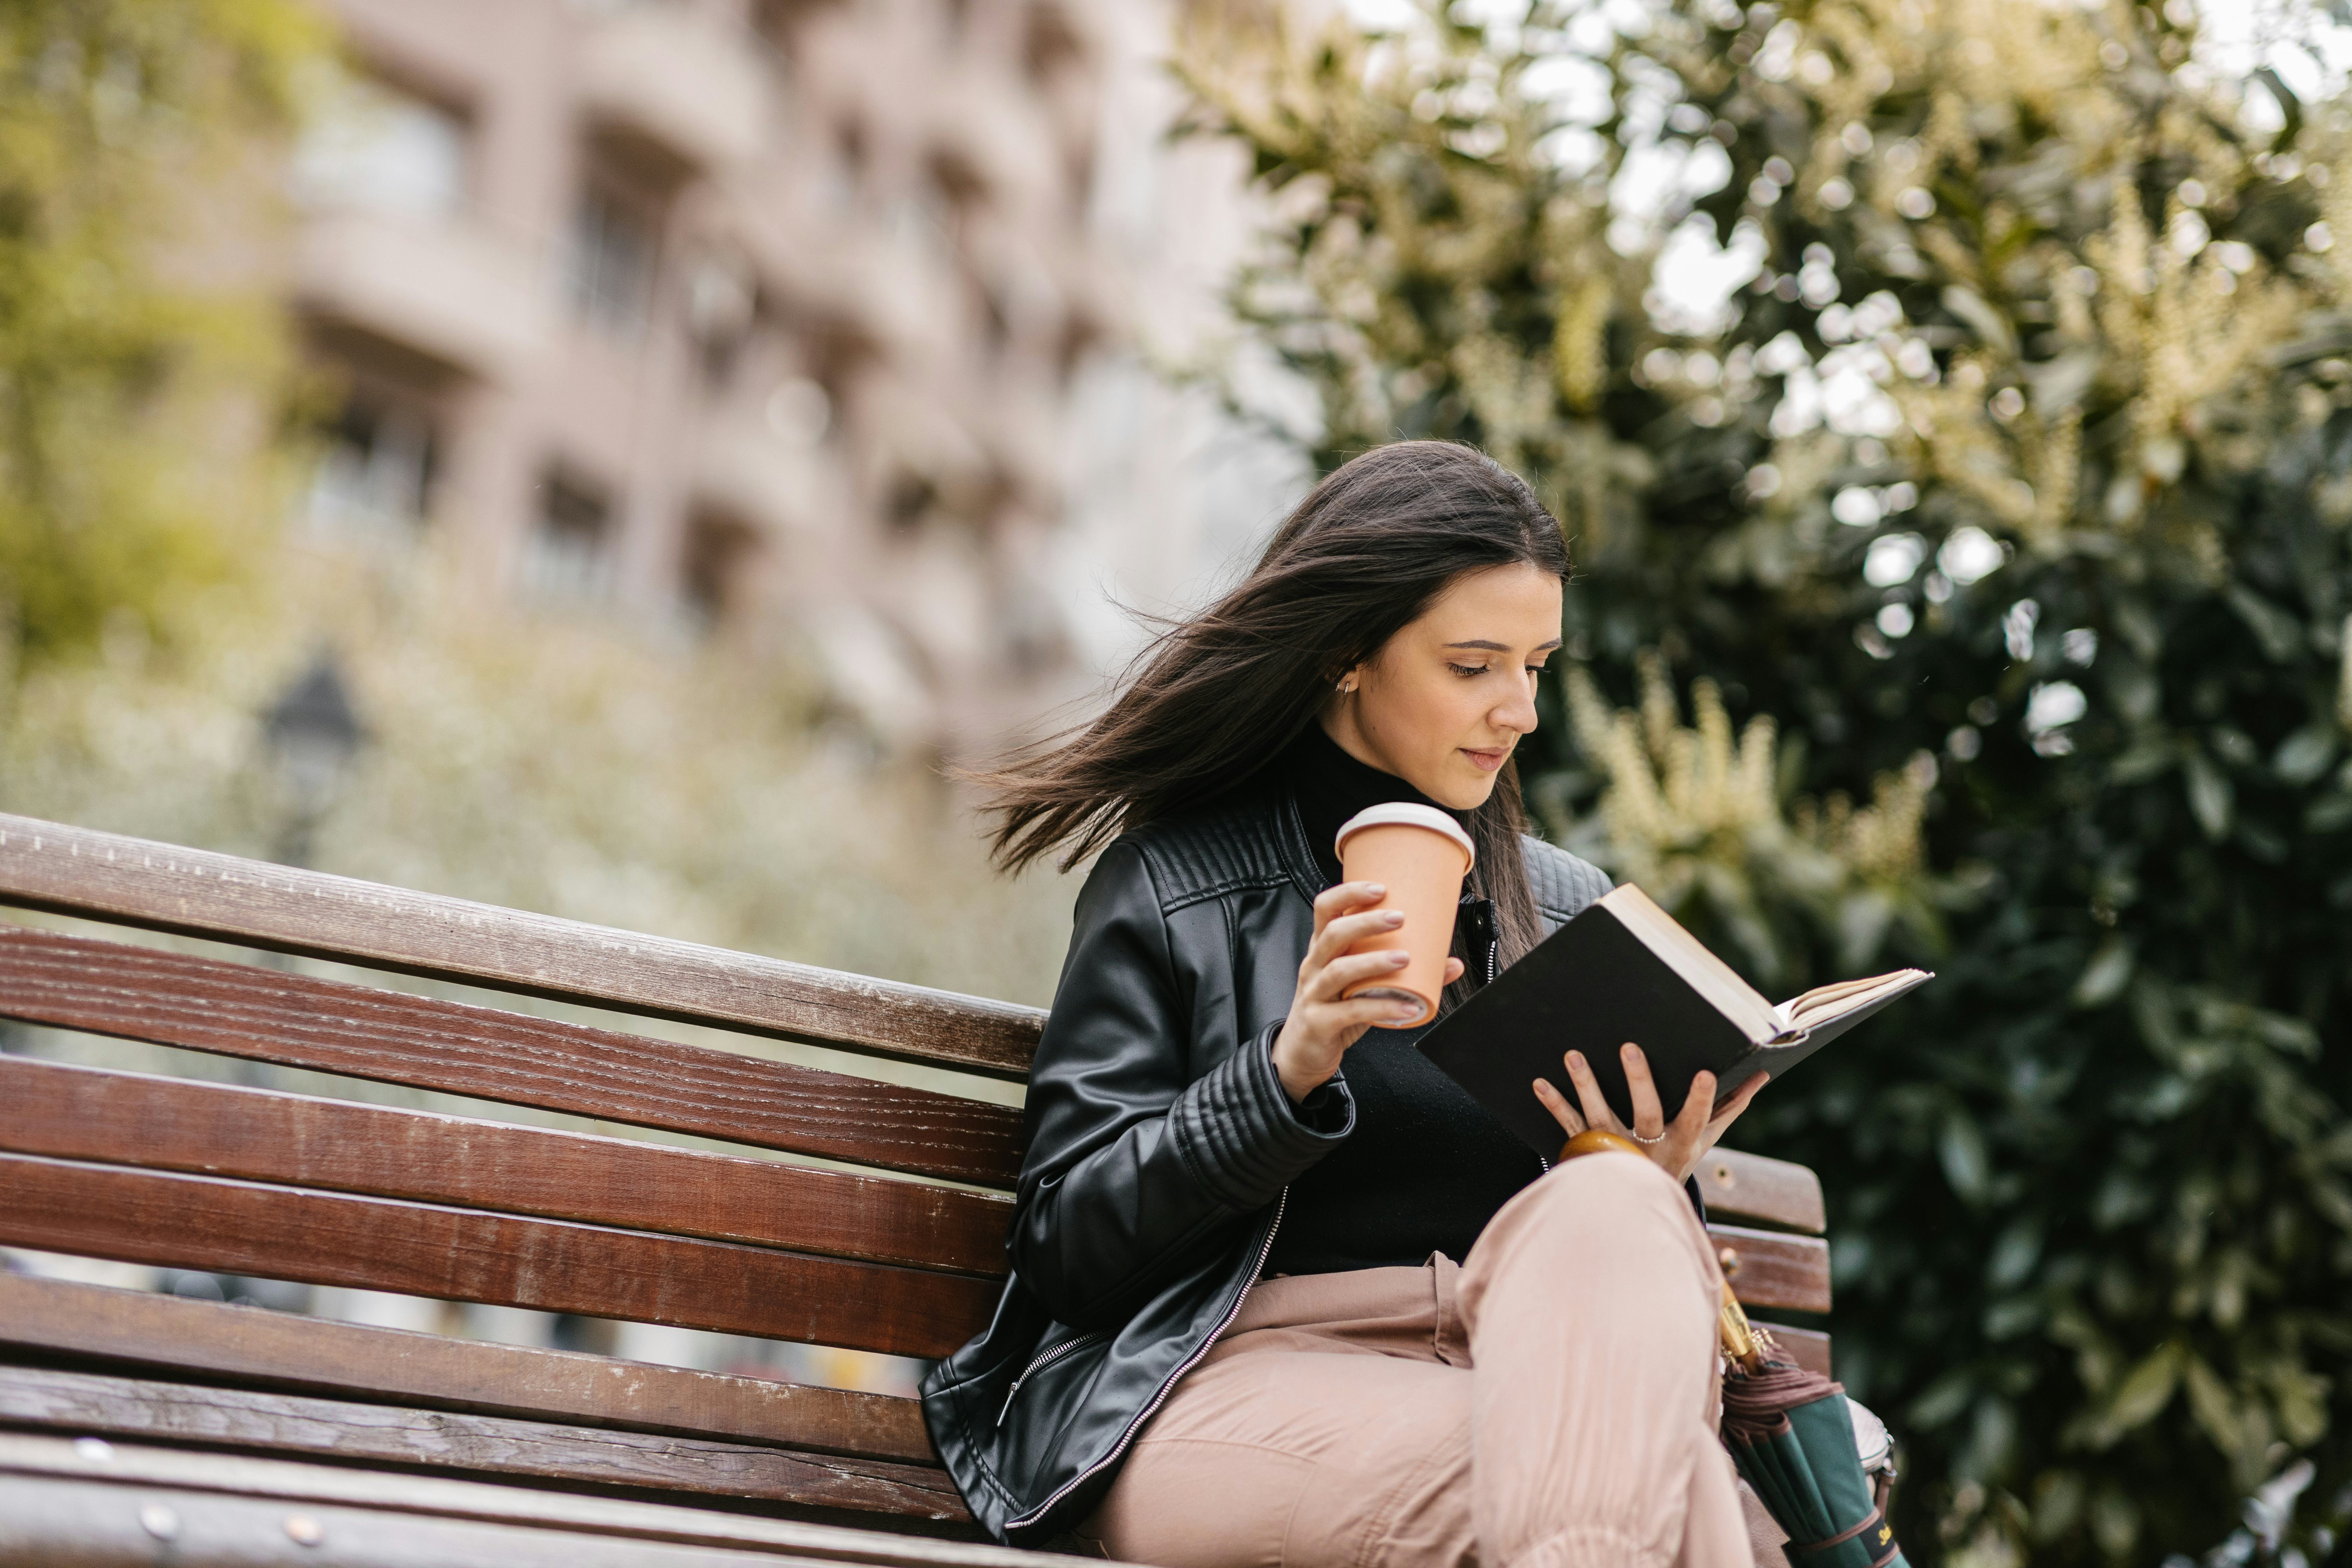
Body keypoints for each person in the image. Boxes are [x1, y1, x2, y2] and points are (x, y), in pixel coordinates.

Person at [923, 441, 1774, 1568]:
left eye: (1537, 666)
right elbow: (1068, 1246)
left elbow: (1605, 1316)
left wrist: (1646, 1174)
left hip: (1509, 1366)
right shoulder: (1180, 887)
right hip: (1224, 1385)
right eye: (1473, 666)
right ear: (1346, 655)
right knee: (1674, 1502)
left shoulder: (1567, 912)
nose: (1517, 710)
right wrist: (1285, 1070)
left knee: (1616, 1214)